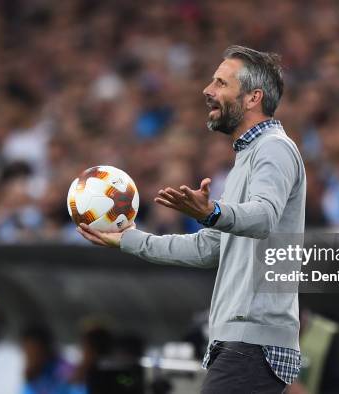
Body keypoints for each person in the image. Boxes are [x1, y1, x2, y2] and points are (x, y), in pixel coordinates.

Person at [77, 45, 306, 393]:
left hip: (252, 340)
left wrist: (211, 212)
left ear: (252, 98)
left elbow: (264, 217)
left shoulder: (273, 147)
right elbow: (209, 248)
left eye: (221, 83)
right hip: (239, 340)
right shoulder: (248, 156)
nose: (207, 91)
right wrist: (130, 238)